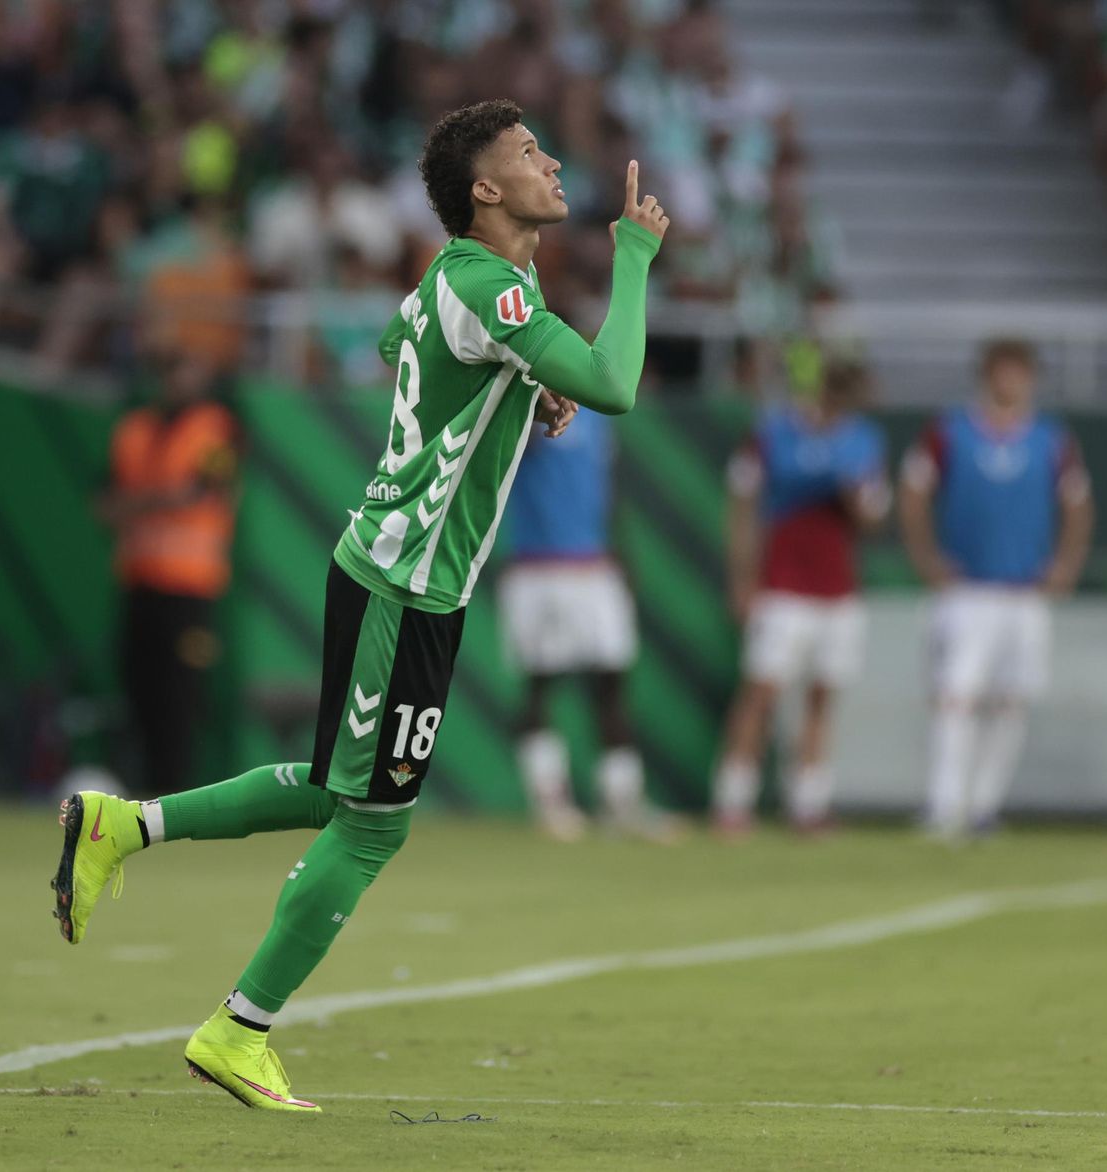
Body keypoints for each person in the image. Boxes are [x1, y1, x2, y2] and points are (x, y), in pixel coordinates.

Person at [49, 99, 667, 1112]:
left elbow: (398, 343)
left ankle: (124, 823)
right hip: (407, 578)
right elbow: (616, 384)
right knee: (375, 822)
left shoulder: (466, 280)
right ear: (483, 190)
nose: (551, 163)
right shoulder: (492, 286)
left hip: (396, 567)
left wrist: (520, 385)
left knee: (338, 789)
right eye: (527, 153)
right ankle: (238, 1028)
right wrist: (634, 258)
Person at [900, 339, 1093, 839]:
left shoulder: (1050, 439)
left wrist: (1066, 564)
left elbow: (1077, 505)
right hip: (968, 589)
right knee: (954, 696)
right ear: (985, 375)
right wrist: (925, 556)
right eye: (1001, 370)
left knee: (1011, 700)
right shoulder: (950, 431)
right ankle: (944, 806)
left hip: (1024, 592)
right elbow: (913, 492)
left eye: (1018, 371)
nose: (1009, 380)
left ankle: (985, 805)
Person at [710, 358, 888, 836]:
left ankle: (808, 803)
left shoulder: (863, 440)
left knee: (821, 697)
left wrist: (856, 499)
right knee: (761, 694)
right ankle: (733, 800)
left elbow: (872, 522)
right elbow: (744, 506)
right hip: (783, 585)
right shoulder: (773, 434)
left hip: (838, 589)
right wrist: (742, 578)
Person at [499, 410, 655, 840]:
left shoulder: (599, 415)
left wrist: (621, 549)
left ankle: (622, 801)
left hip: (593, 565)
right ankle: (550, 801)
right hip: (537, 567)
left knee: (611, 683)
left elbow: (606, 487)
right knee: (540, 684)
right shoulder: (526, 402)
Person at [101, 347, 242, 799]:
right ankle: (138, 791)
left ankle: (174, 791)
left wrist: (139, 503)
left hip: (191, 585)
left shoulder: (216, 428)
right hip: (140, 580)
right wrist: (160, 499)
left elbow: (200, 493)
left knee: (179, 695)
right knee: (137, 687)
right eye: (173, 371)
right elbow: (102, 501)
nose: (179, 382)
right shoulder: (134, 428)